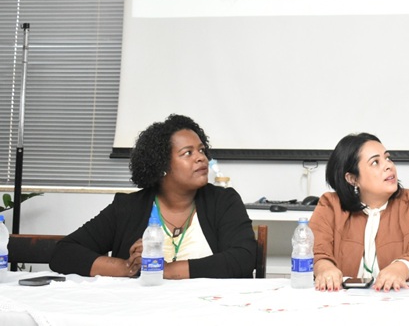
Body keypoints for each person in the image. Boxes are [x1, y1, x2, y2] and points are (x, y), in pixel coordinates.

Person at [50, 114, 256, 279]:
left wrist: (165, 270)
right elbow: (64, 253)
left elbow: (243, 259)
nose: (201, 157)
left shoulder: (223, 201)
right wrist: (127, 267)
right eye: (188, 153)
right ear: (162, 166)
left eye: (201, 150)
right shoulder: (128, 207)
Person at [309, 132, 409, 292]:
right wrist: (324, 268)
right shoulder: (331, 205)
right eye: (375, 162)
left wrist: (401, 268)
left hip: (398, 305)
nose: (389, 166)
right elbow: (314, 249)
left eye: (387, 158)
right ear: (353, 179)